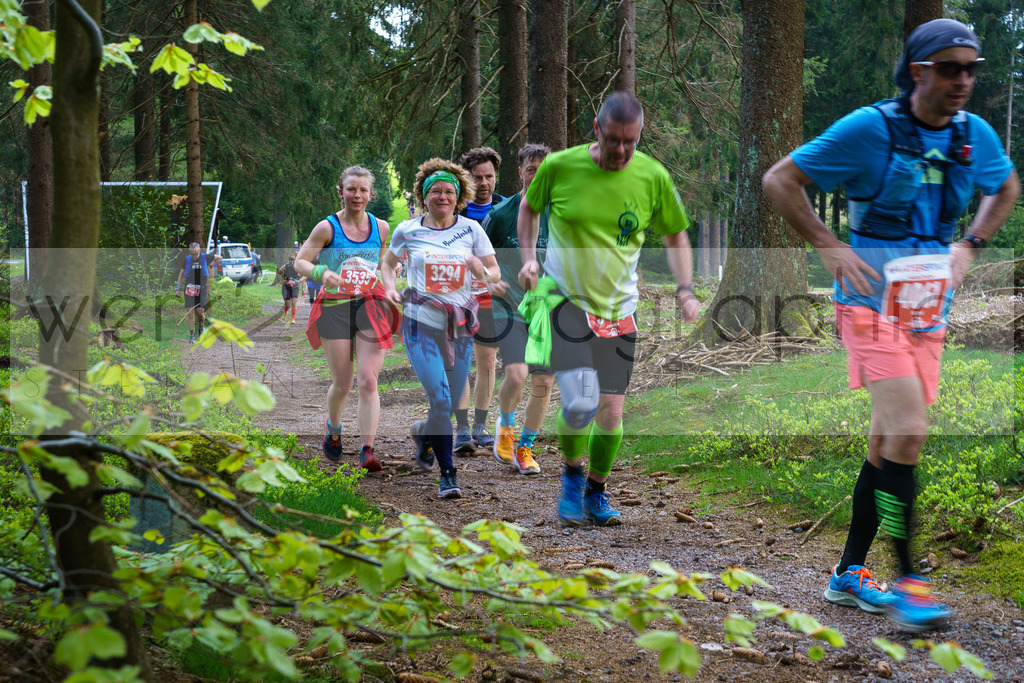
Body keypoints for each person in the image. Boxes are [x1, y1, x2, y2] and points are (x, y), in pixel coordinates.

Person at [762, 19, 1018, 632]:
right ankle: (911, 582)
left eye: (972, 69)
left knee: (888, 446)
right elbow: (779, 180)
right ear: (919, 70)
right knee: (908, 434)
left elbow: (1004, 186)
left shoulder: (972, 134)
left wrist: (971, 245)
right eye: (951, 68)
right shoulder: (868, 130)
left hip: (927, 313)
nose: (964, 80)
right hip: (867, 306)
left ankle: (848, 574)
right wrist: (825, 244)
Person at [517, 92, 700, 526]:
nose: (621, 150)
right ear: (597, 129)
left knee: (612, 411)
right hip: (565, 299)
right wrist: (529, 256)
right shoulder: (560, 167)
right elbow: (529, 208)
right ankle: (572, 475)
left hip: (620, 307)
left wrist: (686, 289)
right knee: (580, 403)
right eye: (614, 140)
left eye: (631, 142)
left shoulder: (652, 176)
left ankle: (596, 491)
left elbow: (675, 235)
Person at [380, 158, 501, 499]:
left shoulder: (471, 231)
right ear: (424, 195)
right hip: (420, 324)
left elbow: (495, 274)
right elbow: (388, 265)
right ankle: (448, 474)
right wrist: (389, 286)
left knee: (442, 406)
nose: (443, 197)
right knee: (443, 398)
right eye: (436, 191)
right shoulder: (407, 230)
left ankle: (424, 432)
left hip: (460, 326)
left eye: (449, 191)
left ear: (459, 195)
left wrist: (481, 271)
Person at [295, 165, 399, 472]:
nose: (357, 195)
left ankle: (367, 449)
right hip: (335, 308)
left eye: (363, 190)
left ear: (370, 194)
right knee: (343, 382)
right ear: (341, 192)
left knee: (368, 380)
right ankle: (334, 428)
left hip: (370, 304)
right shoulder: (327, 228)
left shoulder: (380, 227)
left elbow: (381, 261)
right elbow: (301, 260)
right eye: (351, 189)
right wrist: (321, 272)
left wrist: (390, 276)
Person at [481, 143, 556, 474]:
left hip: (547, 308)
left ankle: (525, 447)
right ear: (521, 172)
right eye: (531, 170)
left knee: (544, 383)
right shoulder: (500, 214)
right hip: (508, 305)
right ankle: (506, 429)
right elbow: (481, 257)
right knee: (516, 373)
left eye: (543, 170)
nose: (537, 176)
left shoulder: (563, 213)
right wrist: (488, 281)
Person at [453, 147, 506, 454]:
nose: (484, 183)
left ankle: (479, 425)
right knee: (460, 359)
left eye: (489, 176)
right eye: (477, 177)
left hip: (491, 296)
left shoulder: (507, 208)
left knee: (487, 361)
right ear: (467, 179)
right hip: (457, 295)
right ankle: (460, 428)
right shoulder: (452, 209)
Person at [175, 242, 222, 343]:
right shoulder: (187, 259)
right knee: (190, 313)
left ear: (199, 251)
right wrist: (178, 287)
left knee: (200, 312)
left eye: (196, 253)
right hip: (189, 287)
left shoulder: (206, 257)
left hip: (202, 287)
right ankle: (192, 335)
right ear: (189, 252)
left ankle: (201, 328)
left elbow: (219, 257)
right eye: (192, 254)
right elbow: (181, 274)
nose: (194, 256)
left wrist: (210, 266)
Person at [277, 254, 304, 323]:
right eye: (291, 262)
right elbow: (278, 273)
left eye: (294, 262)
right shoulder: (285, 266)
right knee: (288, 304)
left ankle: (292, 319)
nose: (292, 263)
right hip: (286, 287)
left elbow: (305, 276)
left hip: (295, 287)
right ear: (289, 262)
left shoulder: (299, 267)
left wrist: (299, 281)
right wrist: (283, 280)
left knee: (294, 303)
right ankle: (285, 313)